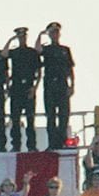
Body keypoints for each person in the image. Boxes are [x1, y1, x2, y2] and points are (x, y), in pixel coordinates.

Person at [37, 22, 74, 150]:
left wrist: (72, 85)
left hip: (62, 84)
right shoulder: (47, 49)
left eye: (57, 32)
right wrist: (40, 35)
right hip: (50, 85)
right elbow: (37, 50)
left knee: (64, 116)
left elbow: (70, 69)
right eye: (52, 32)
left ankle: (62, 142)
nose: (55, 35)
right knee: (51, 116)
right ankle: (52, 143)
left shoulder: (65, 50)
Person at [4, 26, 41, 153]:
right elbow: (4, 54)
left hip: (28, 87)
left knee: (30, 119)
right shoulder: (14, 52)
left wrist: (34, 88)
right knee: (15, 119)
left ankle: (31, 145)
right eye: (19, 36)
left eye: (23, 36)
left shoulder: (32, 52)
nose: (22, 38)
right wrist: (10, 40)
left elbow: (39, 71)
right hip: (16, 87)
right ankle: (16, 145)